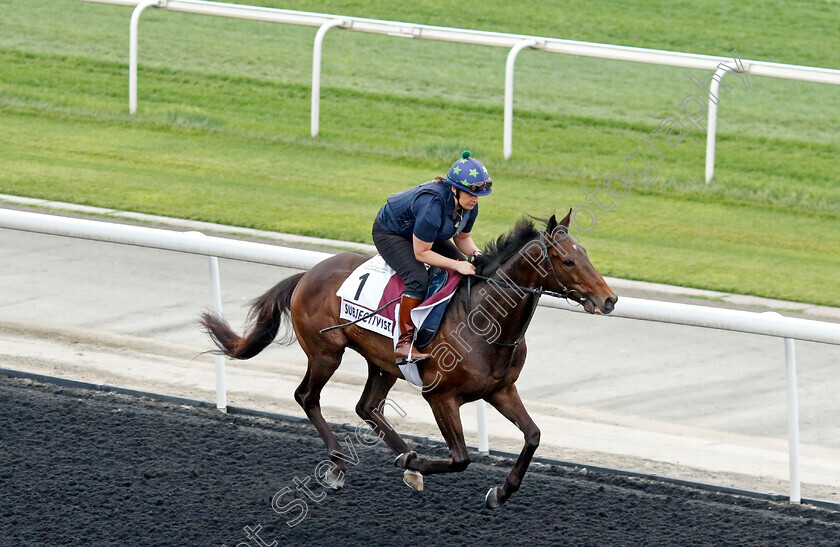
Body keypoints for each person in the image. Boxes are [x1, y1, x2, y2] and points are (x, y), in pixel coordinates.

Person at [372, 150, 492, 384]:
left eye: (480, 194)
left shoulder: (469, 204)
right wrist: (458, 265)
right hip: (393, 233)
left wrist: (477, 255)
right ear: (454, 189)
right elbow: (422, 253)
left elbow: (462, 238)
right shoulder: (432, 204)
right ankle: (404, 343)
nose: (476, 199)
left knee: (466, 268)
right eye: (471, 193)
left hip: (426, 234)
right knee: (418, 279)